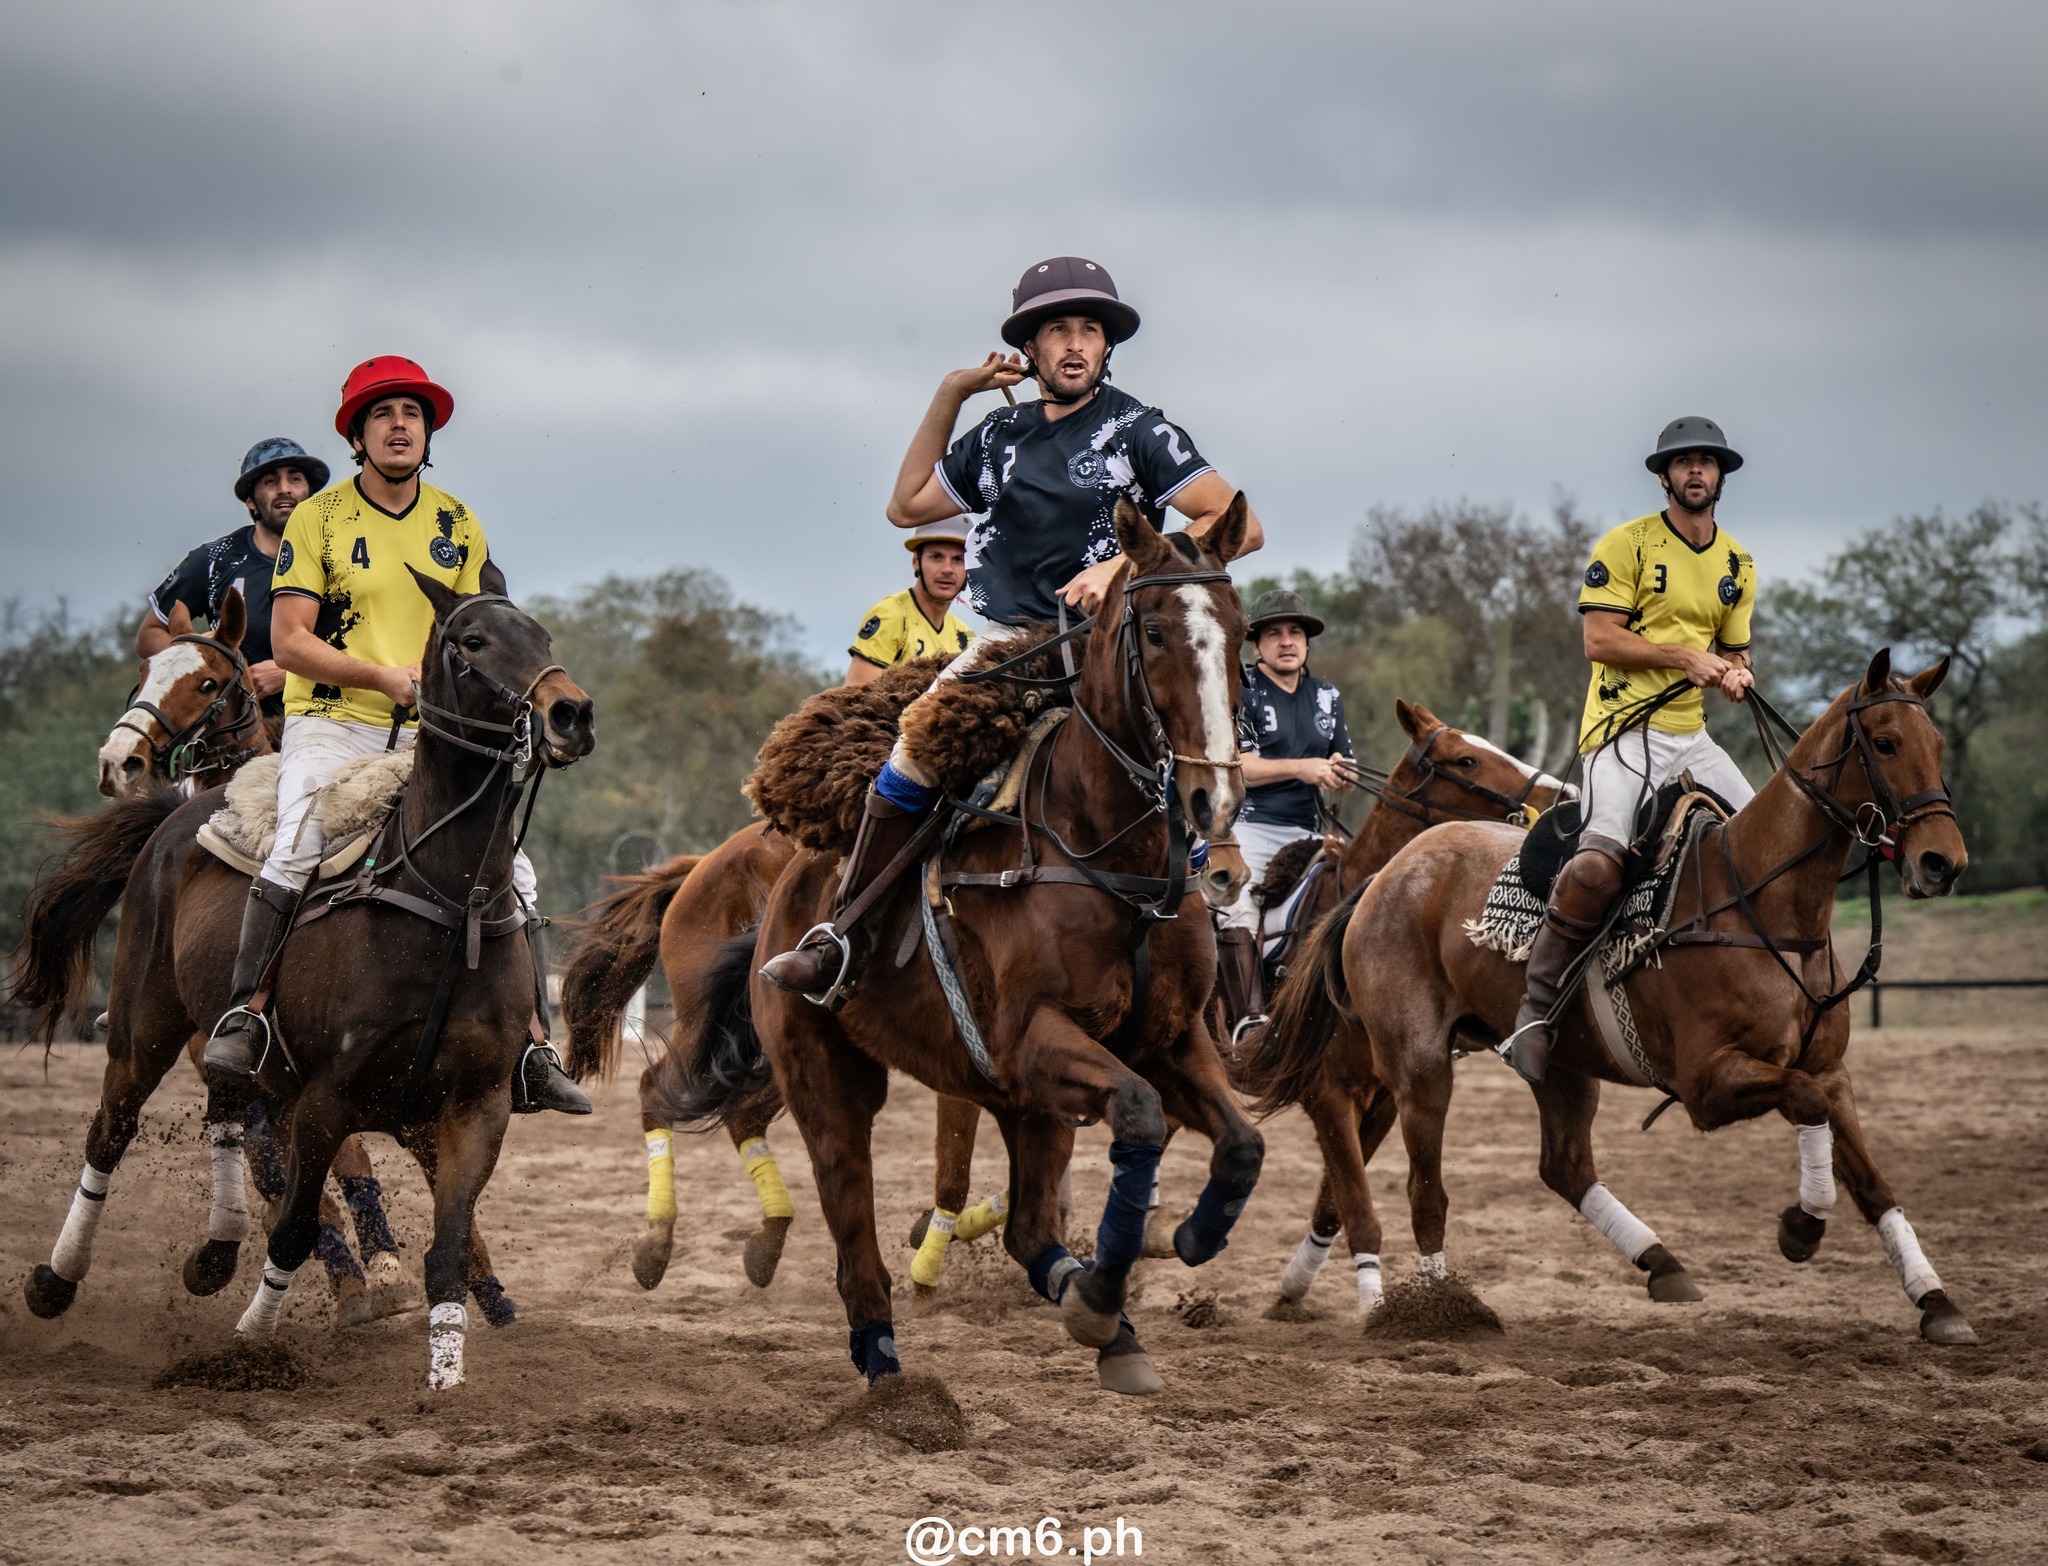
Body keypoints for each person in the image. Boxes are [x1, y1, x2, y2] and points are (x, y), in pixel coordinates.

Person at [762, 255, 1266, 996]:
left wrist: (1122, 570)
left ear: (1105, 346)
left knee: (1199, 758)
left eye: (1088, 330)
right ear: (1029, 350)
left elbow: (1240, 525)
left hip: (1113, 649)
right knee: (913, 752)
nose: (1073, 344)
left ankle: (1219, 969)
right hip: (1007, 643)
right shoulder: (998, 437)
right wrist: (952, 392)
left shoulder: (1140, 431)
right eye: (1057, 330)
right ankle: (843, 933)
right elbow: (906, 507)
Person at [201, 355, 588, 1114]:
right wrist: (381, 676)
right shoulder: (318, 519)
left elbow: (483, 630)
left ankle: (534, 1047)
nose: (400, 424)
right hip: (333, 724)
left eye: (412, 412)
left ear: (428, 430)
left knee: (520, 872)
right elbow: (288, 643)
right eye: (381, 414)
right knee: (297, 842)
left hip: (431, 736)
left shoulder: (456, 520)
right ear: (356, 436)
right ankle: (246, 1012)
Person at [1504, 416, 1759, 1086]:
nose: (1696, 472)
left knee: (1765, 846)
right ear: (1665, 476)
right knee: (1598, 860)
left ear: (1721, 475)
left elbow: (1733, 645)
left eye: (1707, 462)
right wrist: (1684, 656)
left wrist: (1737, 671)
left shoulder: (1739, 563)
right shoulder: (1627, 545)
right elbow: (1599, 640)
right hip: (1620, 732)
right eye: (1684, 463)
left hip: (1690, 738)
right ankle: (1536, 1010)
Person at [1217, 588, 1354, 1018]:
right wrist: (1304, 768)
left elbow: (1342, 763)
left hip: (1311, 830)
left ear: (1307, 641)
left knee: (1356, 897)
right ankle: (1249, 1022)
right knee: (1235, 909)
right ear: (1256, 645)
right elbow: (1239, 766)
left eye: (1296, 631)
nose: (1287, 641)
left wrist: (1342, 773)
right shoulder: (1243, 688)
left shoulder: (1327, 695)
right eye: (1274, 633)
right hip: (1251, 828)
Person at [140, 438, 333, 722]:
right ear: (251, 500)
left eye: (295, 479)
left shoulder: (341, 558)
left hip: (327, 725)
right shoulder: (214, 559)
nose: (284, 489)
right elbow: (150, 634)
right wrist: (210, 664)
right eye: (270, 481)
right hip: (231, 732)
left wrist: (291, 674)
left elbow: (371, 645)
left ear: (311, 493)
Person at [843, 519, 976, 687]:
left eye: (958, 560)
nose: (947, 569)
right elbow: (855, 698)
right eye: (936, 557)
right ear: (916, 562)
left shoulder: (966, 635)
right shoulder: (890, 615)